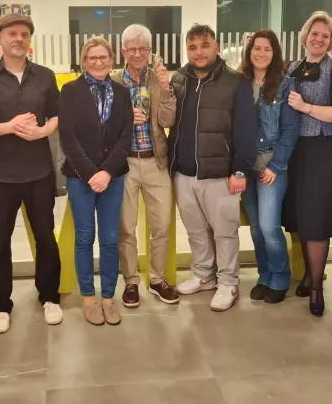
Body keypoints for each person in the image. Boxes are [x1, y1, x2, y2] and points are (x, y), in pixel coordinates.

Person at [0, 13, 62, 334]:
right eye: (12, 34)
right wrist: (9, 127)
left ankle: (49, 297)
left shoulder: (45, 76)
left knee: (45, 237)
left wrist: (42, 132)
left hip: (39, 173)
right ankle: (0, 304)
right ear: (0, 38)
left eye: (24, 34)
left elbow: (57, 116)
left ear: (29, 39)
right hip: (0, 175)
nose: (18, 39)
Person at [169, 24, 258, 312]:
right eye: (192, 47)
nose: (199, 52)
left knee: (224, 231)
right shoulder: (178, 79)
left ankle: (228, 281)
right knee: (195, 230)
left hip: (220, 173)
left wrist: (240, 170)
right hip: (184, 172)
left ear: (216, 47)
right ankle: (204, 275)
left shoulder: (235, 82)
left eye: (205, 45)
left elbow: (246, 129)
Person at [282, 11, 332, 317]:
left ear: (331, 40)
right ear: (305, 37)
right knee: (299, 215)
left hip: (323, 150)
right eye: (315, 33)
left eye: (326, 35)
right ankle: (309, 275)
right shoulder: (292, 67)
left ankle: (317, 288)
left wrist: (306, 107)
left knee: (316, 217)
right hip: (295, 151)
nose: (319, 39)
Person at [59, 37, 133, 325]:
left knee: (111, 239)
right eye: (92, 57)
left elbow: (125, 136)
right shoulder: (70, 91)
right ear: (84, 60)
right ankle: (89, 298)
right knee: (85, 238)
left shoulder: (122, 93)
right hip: (81, 177)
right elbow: (68, 137)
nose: (98, 62)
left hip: (113, 177)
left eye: (103, 57)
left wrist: (107, 172)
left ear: (111, 59)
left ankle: (108, 298)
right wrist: (91, 174)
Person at [110, 24, 178, 308]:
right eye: (132, 49)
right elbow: (102, 122)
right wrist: (125, 118)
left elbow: (168, 120)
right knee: (126, 227)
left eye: (143, 49)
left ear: (150, 51)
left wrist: (165, 89)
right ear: (123, 51)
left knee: (162, 225)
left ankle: (158, 278)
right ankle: (131, 281)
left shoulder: (158, 78)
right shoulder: (112, 80)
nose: (137, 54)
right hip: (124, 163)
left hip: (155, 160)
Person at [238, 29, 300, 304]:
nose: (261, 53)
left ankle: (280, 277)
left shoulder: (285, 85)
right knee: (255, 228)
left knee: (269, 227)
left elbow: (290, 130)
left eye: (267, 49)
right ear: (249, 51)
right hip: (246, 168)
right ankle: (264, 276)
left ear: (274, 54)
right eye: (256, 48)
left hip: (273, 168)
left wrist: (275, 166)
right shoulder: (240, 83)